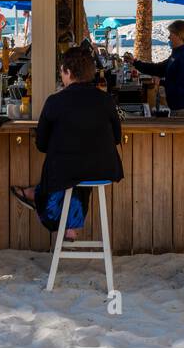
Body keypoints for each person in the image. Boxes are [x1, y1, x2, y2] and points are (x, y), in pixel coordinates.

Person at [11, 46, 123, 239]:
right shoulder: (106, 100)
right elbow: (116, 137)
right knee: (78, 171)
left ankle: (43, 202)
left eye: (62, 71)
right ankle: (71, 225)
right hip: (104, 168)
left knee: (67, 171)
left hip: (66, 171)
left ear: (68, 72)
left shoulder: (55, 101)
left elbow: (42, 145)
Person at [127, 19, 184, 116]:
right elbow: (158, 68)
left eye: (171, 34)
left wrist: (162, 82)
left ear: (179, 35)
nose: (169, 37)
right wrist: (135, 62)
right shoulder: (177, 54)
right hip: (179, 107)